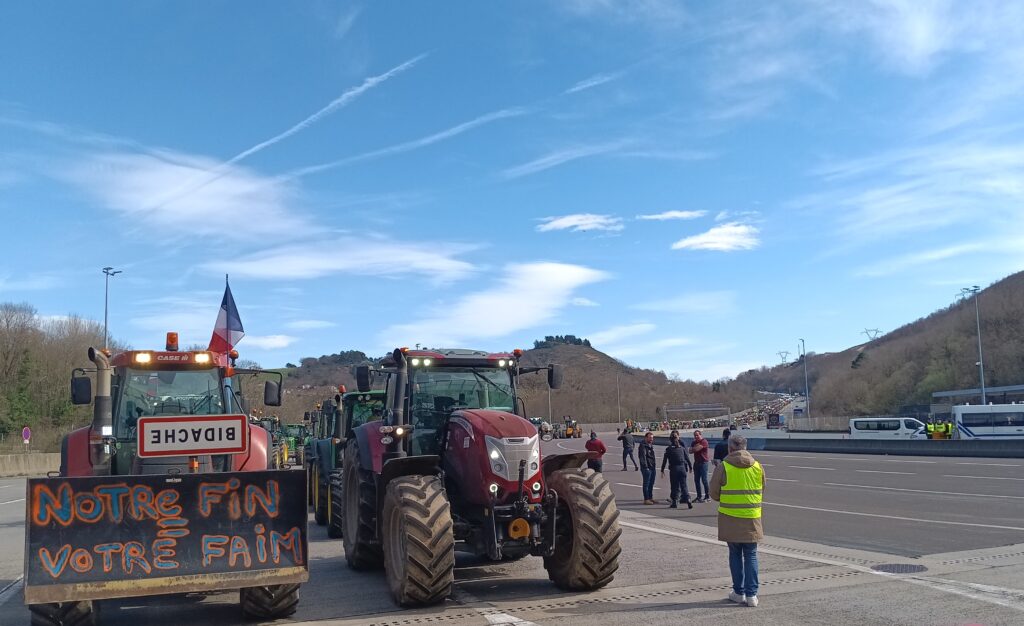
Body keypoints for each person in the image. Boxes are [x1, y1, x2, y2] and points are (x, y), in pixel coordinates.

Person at [710, 434, 765, 608]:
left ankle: (738, 592)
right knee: (751, 555)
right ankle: (752, 595)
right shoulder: (757, 466)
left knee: (735, 554)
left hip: (730, 518)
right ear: (745, 447)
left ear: (730, 448)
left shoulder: (724, 466)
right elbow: (762, 487)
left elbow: (713, 493)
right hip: (752, 518)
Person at [660, 430, 693, 509]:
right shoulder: (681, 448)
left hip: (674, 469)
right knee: (684, 485)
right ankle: (688, 500)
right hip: (682, 468)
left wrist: (662, 470)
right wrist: (690, 467)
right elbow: (687, 458)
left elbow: (664, 461)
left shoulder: (668, 449)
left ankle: (674, 502)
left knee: (674, 486)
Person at [690, 429, 711, 503]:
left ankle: (707, 496)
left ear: (700, 435)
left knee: (704, 480)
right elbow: (690, 451)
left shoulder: (704, 441)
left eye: (697, 435)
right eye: (695, 435)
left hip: (703, 463)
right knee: (696, 480)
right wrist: (696, 447)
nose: (696, 437)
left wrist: (696, 447)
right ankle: (699, 496)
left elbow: (696, 449)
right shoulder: (694, 442)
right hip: (696, 463)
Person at [638, 431, 657, 504]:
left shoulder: (650, 445)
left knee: (651, 483)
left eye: (652, 438)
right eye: (650, 438)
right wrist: (646, 467)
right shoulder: (643, 446)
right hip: (647, 468)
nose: (651, 439)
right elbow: (642, 457)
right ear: (646, 438)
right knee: (646, 484)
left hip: (652, 467)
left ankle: (650, 497)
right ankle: (646, 499)